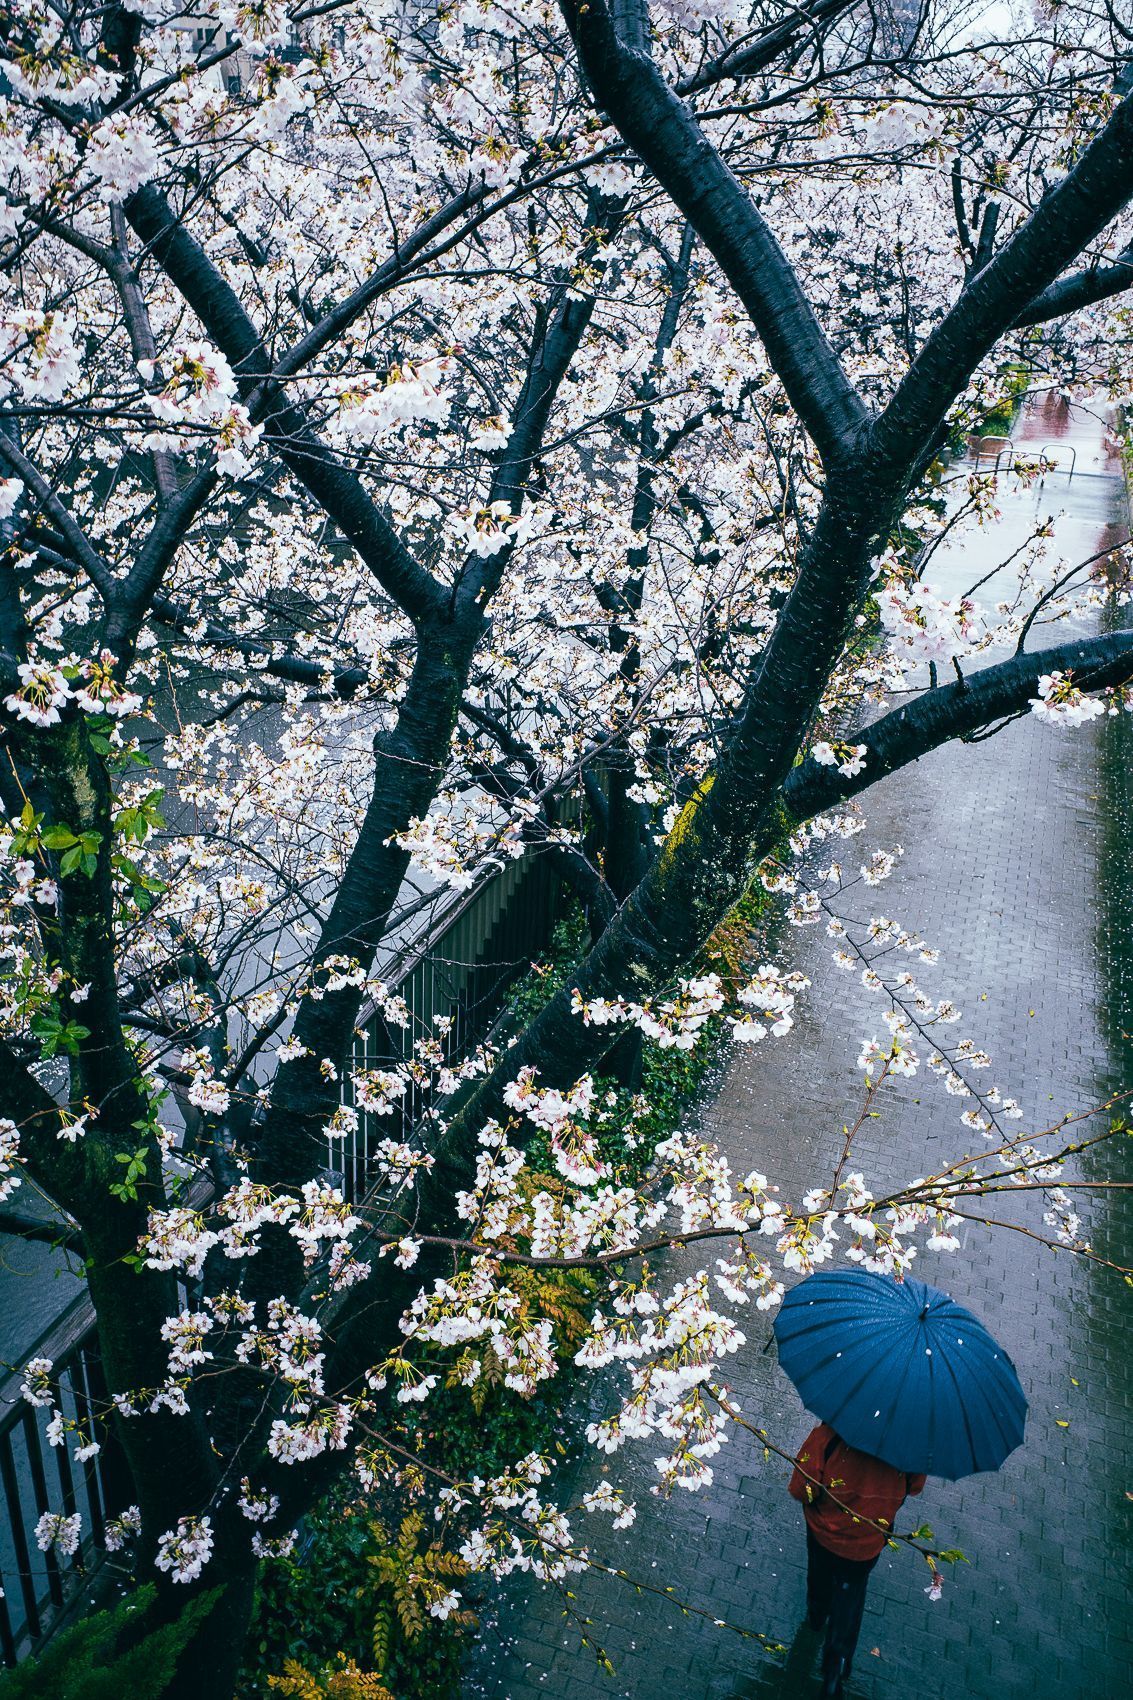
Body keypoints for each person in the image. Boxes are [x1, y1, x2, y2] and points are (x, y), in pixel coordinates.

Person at [789, 1422, 926, 1697]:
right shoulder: (913, 1444)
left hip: (822, 1535)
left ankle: (816, 1616)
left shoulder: (828, 1435)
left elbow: (799, 1488)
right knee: (850, 1600)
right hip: (866, 1542)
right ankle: (835, 1668)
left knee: (819, 1576)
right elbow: (914, 1487)